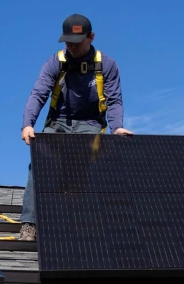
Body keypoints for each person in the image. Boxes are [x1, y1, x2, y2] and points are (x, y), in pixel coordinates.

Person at [17, 14, 132, 241]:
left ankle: (85, 223)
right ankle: (29, 224)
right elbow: (38, 94)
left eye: (76, 41)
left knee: (85, 164)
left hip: (90, 124)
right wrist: (27, 124)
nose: (71, 45)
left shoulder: (106, 65)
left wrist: (117, 127)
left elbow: (114, 100)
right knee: (39, 163)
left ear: (91, 37)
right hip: (58, 122)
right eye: (67, 41)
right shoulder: (55, 62)